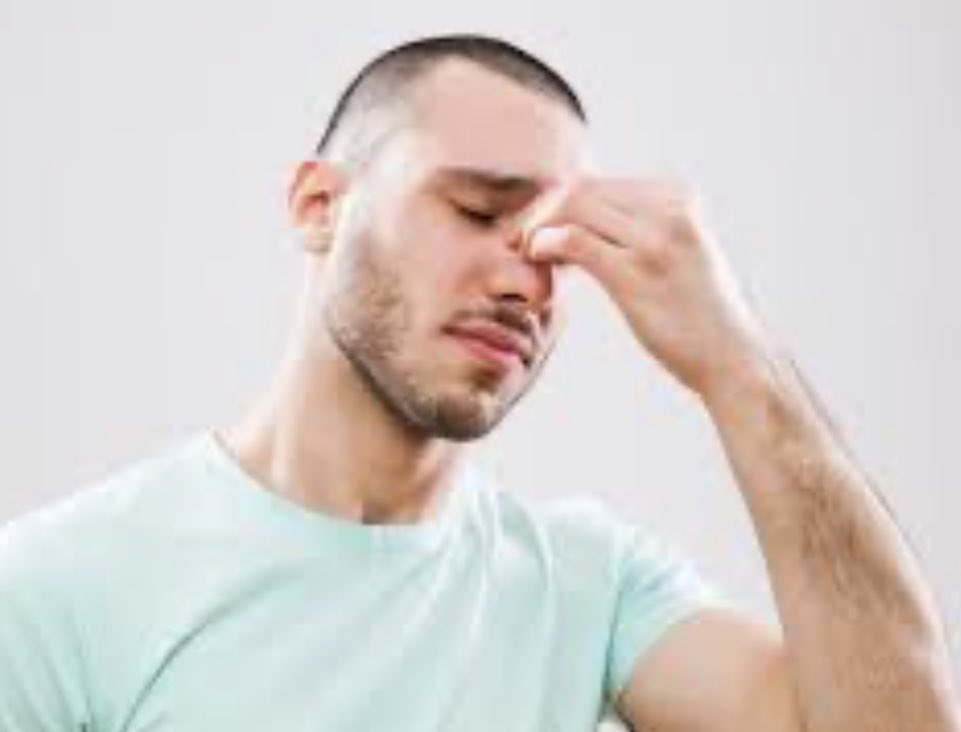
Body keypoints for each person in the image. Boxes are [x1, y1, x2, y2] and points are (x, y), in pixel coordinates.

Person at [0, 33, 957, 732]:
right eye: (475, 211)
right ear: (319, 205)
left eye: (554, 248)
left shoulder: (591, 589)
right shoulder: (58, 590)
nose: (522, 281)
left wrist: (738, 363)